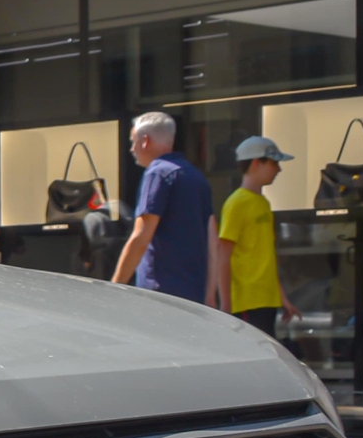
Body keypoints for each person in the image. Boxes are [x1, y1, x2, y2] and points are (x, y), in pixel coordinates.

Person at [109, 112, 218, 305]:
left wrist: (115, 286)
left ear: (145, 141)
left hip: (160, 294)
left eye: (133, 141)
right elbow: (212, 240)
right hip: (194, 293)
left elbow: (141, 237)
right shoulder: (197, 177)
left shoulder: (157, 173)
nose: (132, 149)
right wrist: (210, 295)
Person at [214, 136, 300, 338]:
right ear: (256, 162)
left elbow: (265, 256)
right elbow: (223, 255)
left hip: (266, 300)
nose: (278, 169)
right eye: (274, 163)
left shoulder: (263, 203)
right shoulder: (236, 203)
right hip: (246, 301)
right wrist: (226, 305)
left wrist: (282, 298)